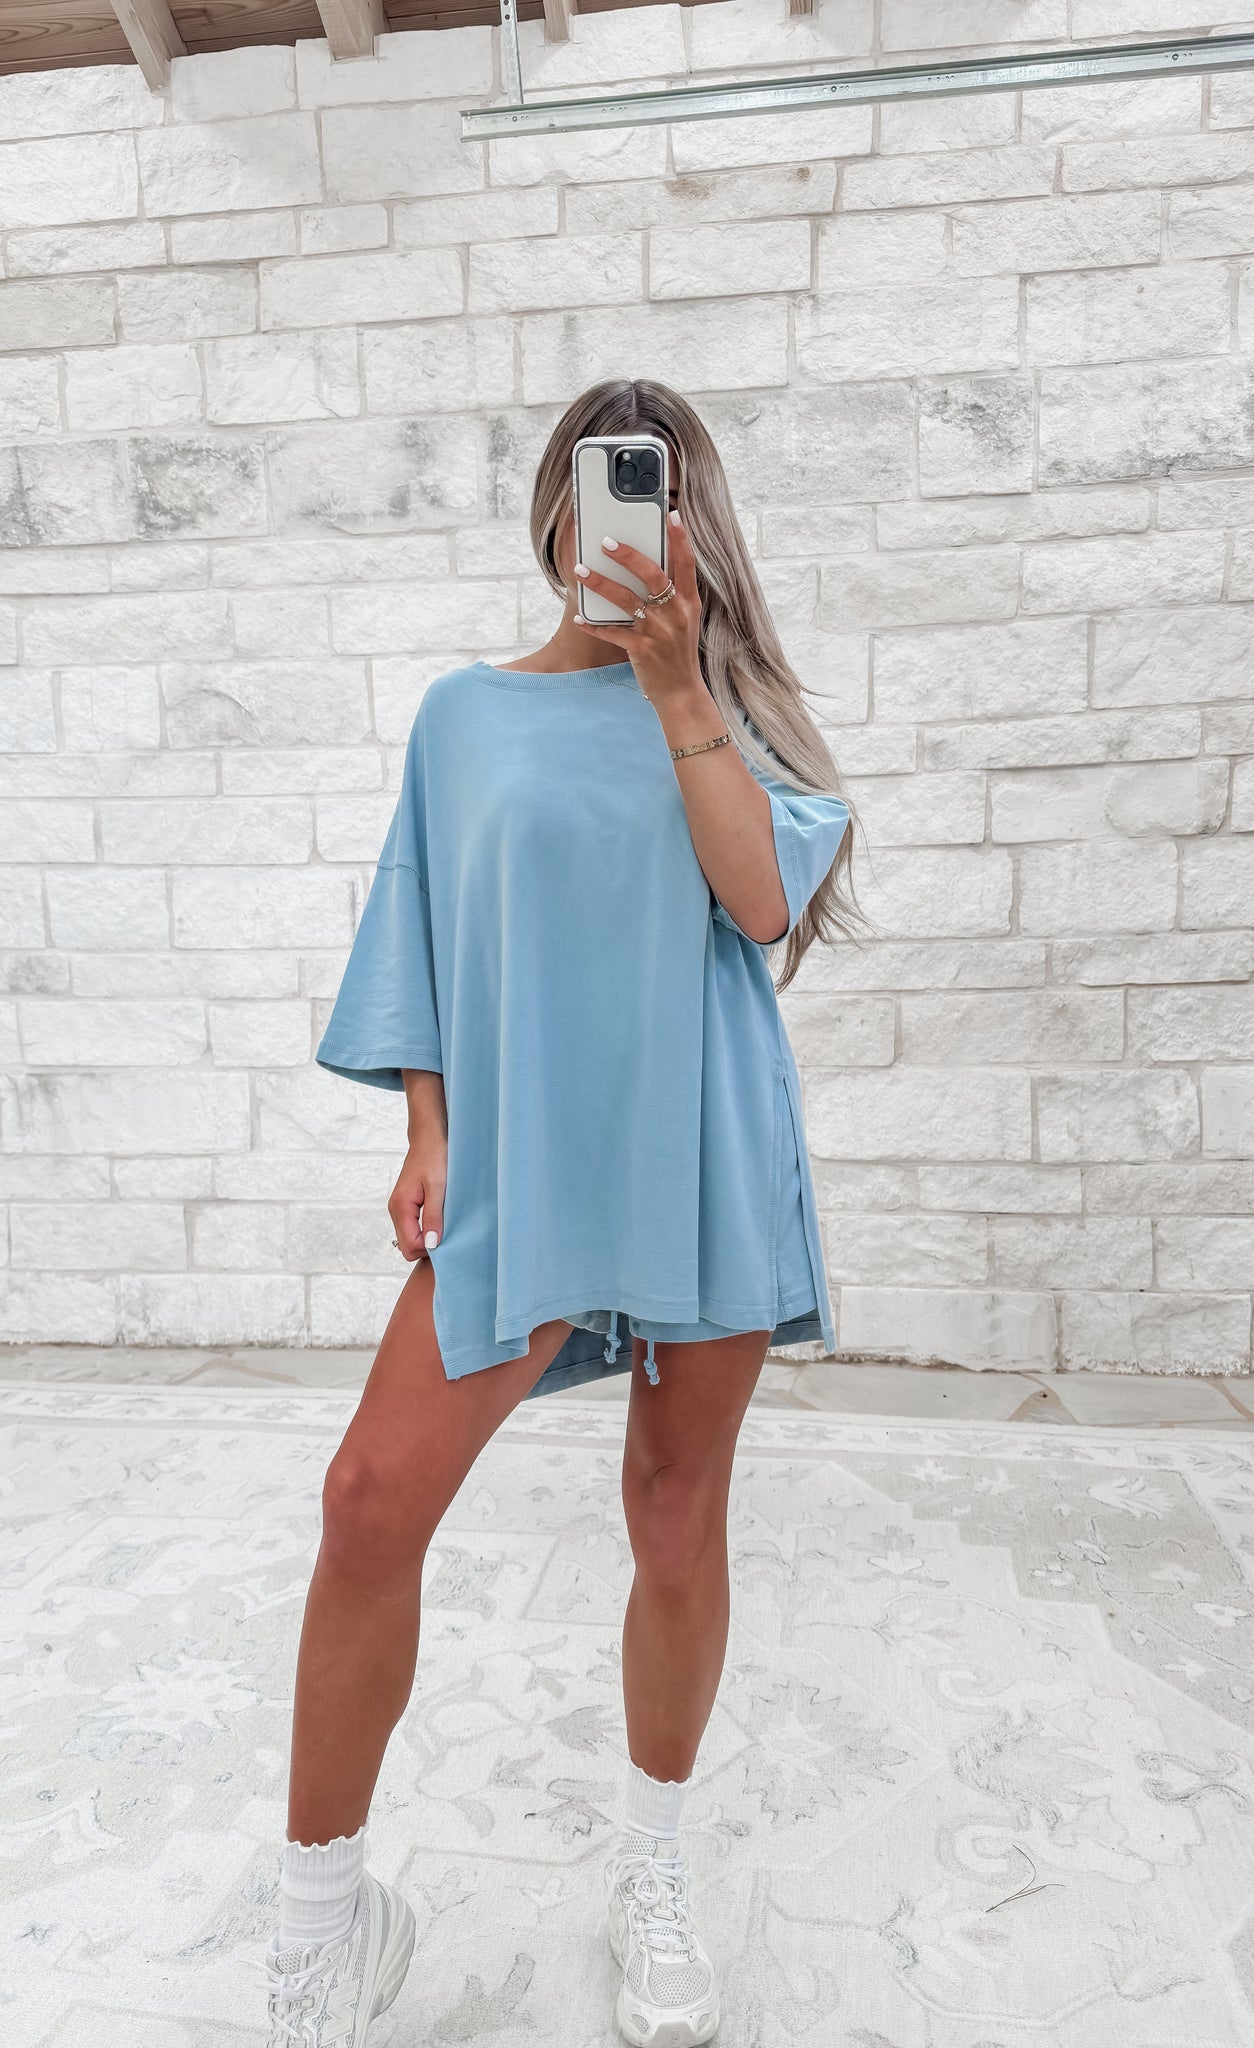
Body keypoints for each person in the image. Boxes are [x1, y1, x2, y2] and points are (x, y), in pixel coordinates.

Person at [260, 378, 864, 2047]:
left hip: (701, 1153)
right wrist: (427, 1128)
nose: (625, 525)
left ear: (695, 526)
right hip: (521, 1163)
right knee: (368, 1501)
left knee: (673, 1514)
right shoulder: (462, 717)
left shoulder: (736, 716)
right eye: (601, 492)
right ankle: (323, 1924)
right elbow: (428, 928)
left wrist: (675, 687)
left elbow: (758, 903)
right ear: (555, 516)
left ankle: (652, 1873)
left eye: (657, 495)